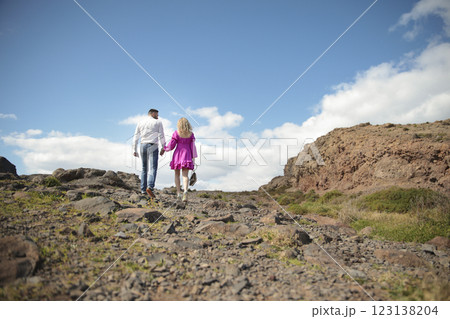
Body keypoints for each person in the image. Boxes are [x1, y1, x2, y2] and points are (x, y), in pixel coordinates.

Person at [133, 108, 166, 198]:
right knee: (153, 168)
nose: (158, 116)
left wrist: (134, 149)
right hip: (153, 145)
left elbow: (136, 136)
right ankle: (150, 187)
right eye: (157, 114)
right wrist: (164, 147)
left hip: (143, 145)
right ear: (152, 113)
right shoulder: (158, 122)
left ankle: (143, 190)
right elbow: (161, 135)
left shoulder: (140, 122)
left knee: (144, 168)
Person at [164, 117, 197, 202]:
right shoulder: (191, 134)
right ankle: (185, 191)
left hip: (178, 155)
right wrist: (193, 158)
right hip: (187, 154)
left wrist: (165, 148)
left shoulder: (176, 133)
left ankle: (179, 193)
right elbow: (193, 147)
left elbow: (171, 146)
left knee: (177, 175)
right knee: (185, 175)